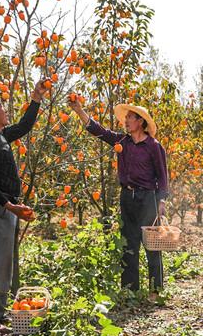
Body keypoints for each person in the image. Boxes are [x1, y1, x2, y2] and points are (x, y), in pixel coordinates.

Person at [0, 79, 49, 336]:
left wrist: (36, 97)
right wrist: (10, 206)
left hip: (5, 206)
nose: (5, 110)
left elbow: (25, 125)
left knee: (4, 263)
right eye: (1, 107)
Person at [69, 101, 168, 299]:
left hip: (147, 197)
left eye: (130, 117)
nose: (126, 121)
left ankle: (155, 290)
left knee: (151, 244)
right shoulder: (122, 141)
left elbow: (162, 176)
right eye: (126, 118)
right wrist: (79, 110)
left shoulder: (153, 146)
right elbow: (99, 131)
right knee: (128, 244)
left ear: (140, 121)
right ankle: (129, 290)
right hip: (127, 197)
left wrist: (162, 202)